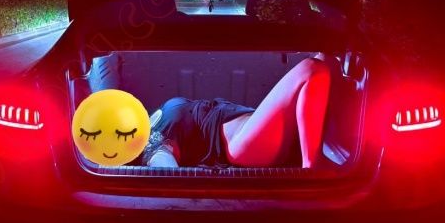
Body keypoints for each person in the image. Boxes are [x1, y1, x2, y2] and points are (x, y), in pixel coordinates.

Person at [141, 54, 330, 169]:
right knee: (312, 68)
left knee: (327, 60)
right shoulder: (150, 145)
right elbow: (167, 174)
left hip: (255, 127)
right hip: (241, 143)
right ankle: (311, 171)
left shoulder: (149, 119)